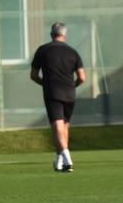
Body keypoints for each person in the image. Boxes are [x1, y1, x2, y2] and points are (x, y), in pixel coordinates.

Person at [30, 22, 87, 172]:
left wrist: (45, 83)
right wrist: (72, 86)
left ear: (51, 34)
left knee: (57, 128)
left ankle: (67, 159)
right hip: (70, 93)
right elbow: (82, 77)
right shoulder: (73, 52)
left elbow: (33, 75)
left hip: (52, 92)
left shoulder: (43, 50)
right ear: (64, 35)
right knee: (65, 127)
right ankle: (59, 162)